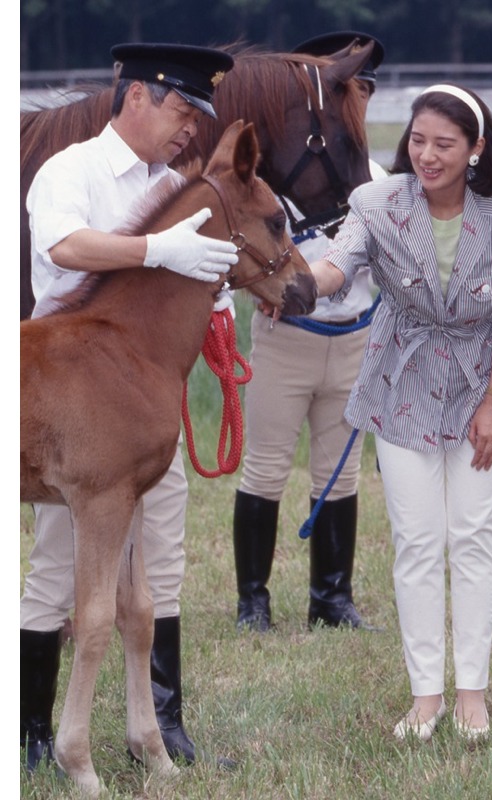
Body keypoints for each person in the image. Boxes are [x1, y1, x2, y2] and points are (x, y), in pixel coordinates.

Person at [21, 42, 238, 771]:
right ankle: (30, 735)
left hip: (147, 402)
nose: (189, 128)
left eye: (198, 115)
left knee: (159, 568)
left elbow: (185, 282)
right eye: (181, 108)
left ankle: (160, 726)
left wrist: (213, 288)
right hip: (72, 402)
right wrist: (155, 250)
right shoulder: (71, 169)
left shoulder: (177, 184)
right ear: (136, 96)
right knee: (57, 576)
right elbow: (62, 244)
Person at [310, 84, 492, 740]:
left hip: (481, 384)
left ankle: (473, 693)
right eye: (417, 141)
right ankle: (426, 697)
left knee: (473, 536)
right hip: (400, 380)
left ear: (475, 148)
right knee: (416, 542)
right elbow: (337, 264)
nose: (427, 155)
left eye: (444, 144)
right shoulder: (378, 202)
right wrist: (295, 287)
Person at [232, 31, 385, 633]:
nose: (362, 95)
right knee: (265, 468)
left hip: (353, 337)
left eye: (366, 86)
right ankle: (253, 600)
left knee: (339, 472)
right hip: (288, 341)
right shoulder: (275, 174)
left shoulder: (368, 174)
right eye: (353, 85)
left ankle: (332, 597)